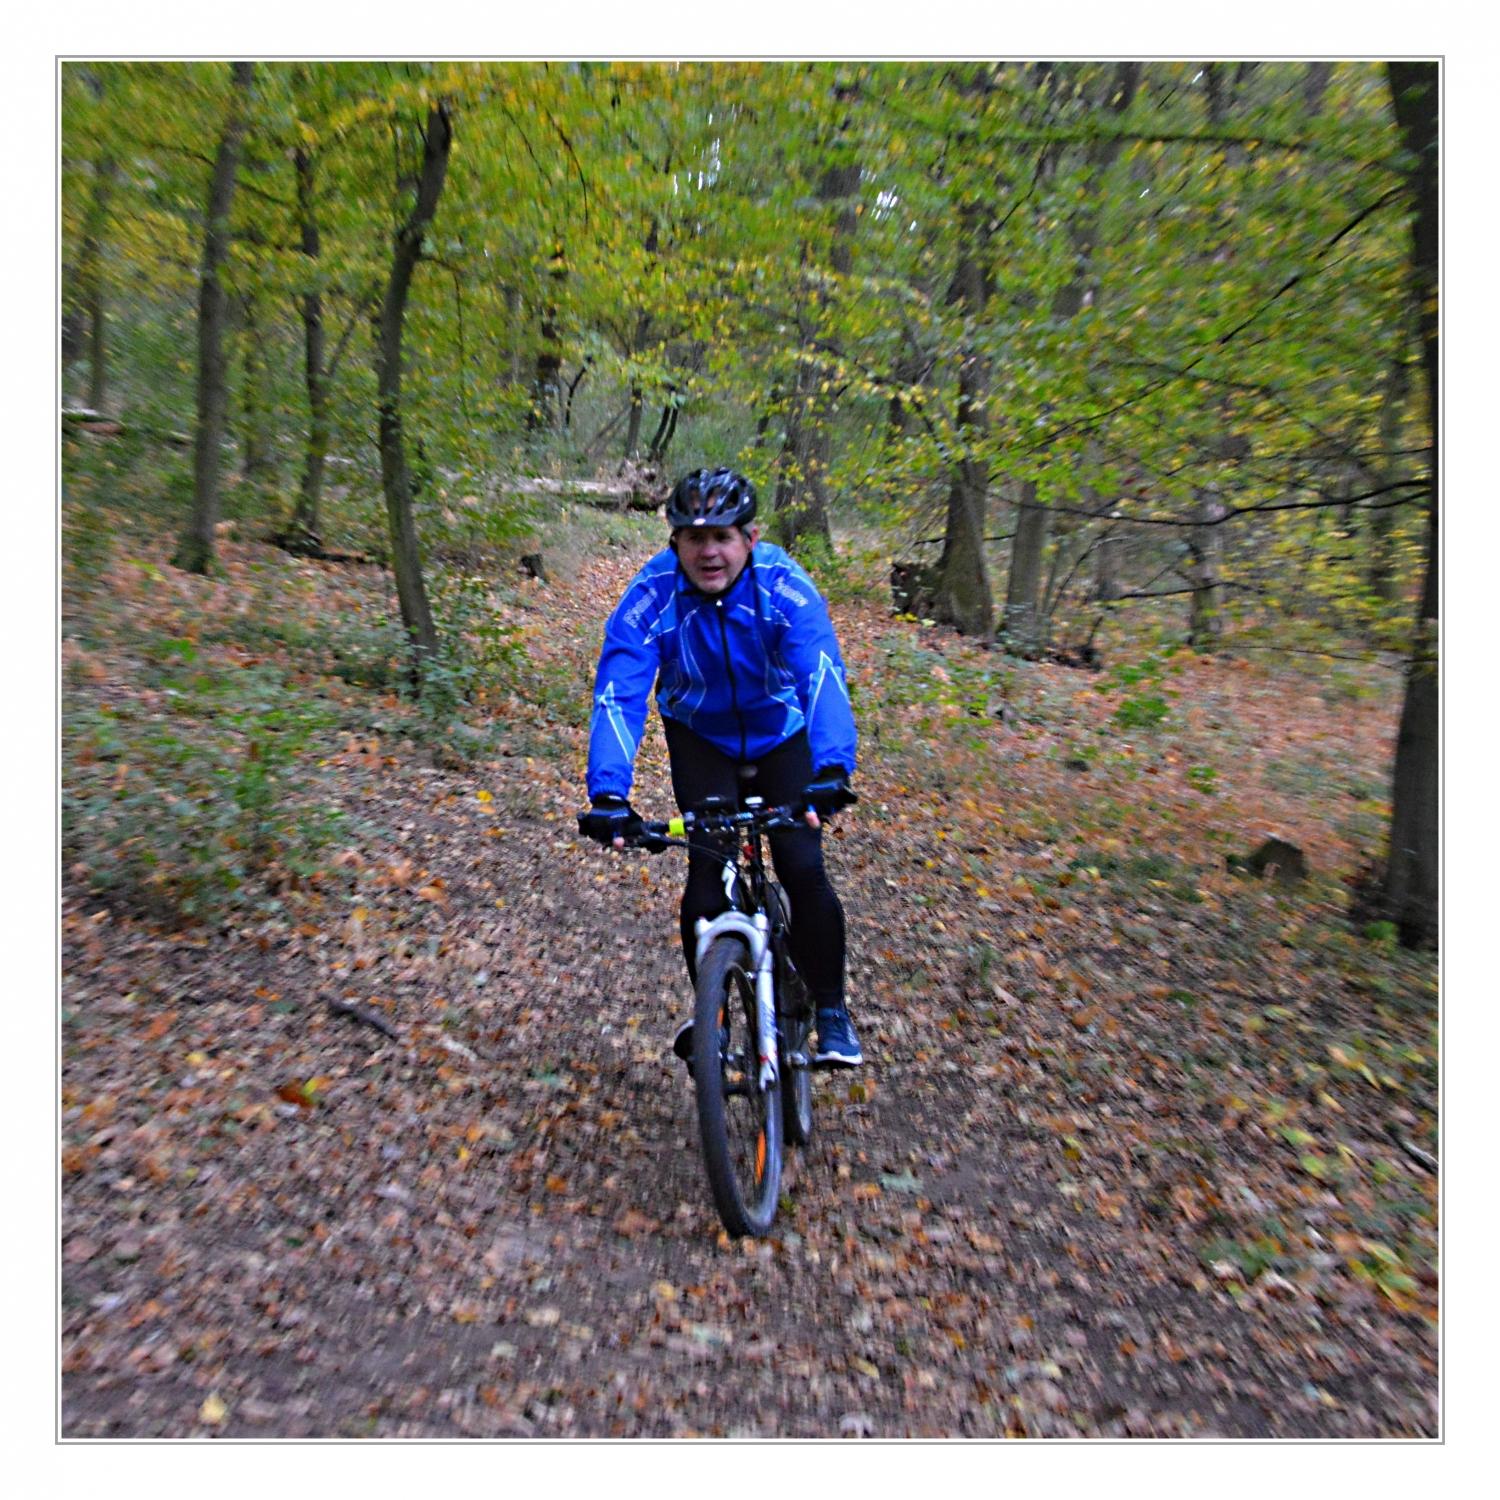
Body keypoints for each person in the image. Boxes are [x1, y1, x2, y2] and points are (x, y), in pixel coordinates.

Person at [578, 466, 863, 1067]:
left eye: (723, 536)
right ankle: (713, 1021)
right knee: (706, 874)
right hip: (700, 737)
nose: (709, 551)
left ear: (750, 538)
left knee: (801, 863)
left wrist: (832, 767)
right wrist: (609, 794)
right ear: (674, 541)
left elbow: (820, 671)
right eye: (694, 537)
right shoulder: (652, 594)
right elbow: (619, 691)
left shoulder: (782, 585)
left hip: (780, 734)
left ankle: (831, 1010)